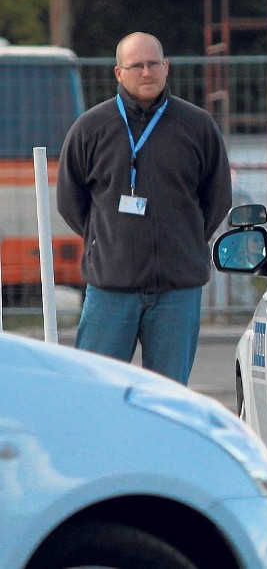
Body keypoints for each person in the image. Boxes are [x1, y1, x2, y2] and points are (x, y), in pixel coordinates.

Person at [57, 32, 232, 385]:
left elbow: (217, 199)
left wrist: (184, 239)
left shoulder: (197, 127)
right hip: (110, 291)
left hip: (177, 291)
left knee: (168, 399)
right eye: (136, 65)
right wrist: (106, 242)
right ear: (119, 73)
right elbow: (70, 201)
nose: (147, 72)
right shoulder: (91, 128)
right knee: (95, 390)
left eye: (154, 64)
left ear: (166, 68)